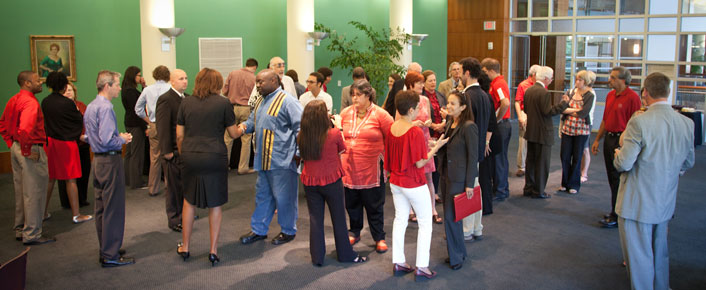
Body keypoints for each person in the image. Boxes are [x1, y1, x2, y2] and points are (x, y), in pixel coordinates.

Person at [613, 72, 695, 290]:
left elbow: (624, 164)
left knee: (639, 259)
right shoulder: (687, 123)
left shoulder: (639, 121)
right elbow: (687, 163)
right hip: (665, 200)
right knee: (660, 255)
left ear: (645, 93)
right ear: (668, 92)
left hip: (636, 202)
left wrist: (616, 154)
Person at [176, 68, 239, 266]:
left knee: (188, 201)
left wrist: (184, 152)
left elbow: (179, 135)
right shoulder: (223, 103)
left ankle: (185, 247)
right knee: (215, 203)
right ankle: (213, 250)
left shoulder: (185, 102)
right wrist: (244, 127)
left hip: (190, 155)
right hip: (215, 155)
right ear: (217, 84)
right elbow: (234, 133)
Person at [386, 90, 447, 281]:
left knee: (400, 219)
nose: (420, 110)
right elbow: (420, 162)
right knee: (425, 223)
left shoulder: (392, 127)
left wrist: (428, 144)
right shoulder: (414, 131)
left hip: (396, 182)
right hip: (413, 183)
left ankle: (399, 261)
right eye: (419, 107)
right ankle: (422, 266)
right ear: (411, 109)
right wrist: (436, 147)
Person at [298, 100, 368, 266]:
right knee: (338, 219)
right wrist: (339, 127)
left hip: (310, 181)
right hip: (331, 181)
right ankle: (346, 255)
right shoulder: (334, 133)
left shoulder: (301, 135)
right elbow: (343, 149)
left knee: (315, 219)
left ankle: (317, 257)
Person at [239, 69, 303, 246]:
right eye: (257, 82)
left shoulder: (288, 101)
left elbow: (301, 128)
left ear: (274, 81)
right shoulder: (260, 100)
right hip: (263, 160)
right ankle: (259, 229)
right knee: (263, 196)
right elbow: (253, 121)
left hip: (283, 159)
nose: (258, 85)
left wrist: (298, 154)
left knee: (285, 198)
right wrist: (242, 127)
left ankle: (288, 230)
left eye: (261, 82)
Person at [84, 70, 134, 267]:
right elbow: (107, 140)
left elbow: (90, 137)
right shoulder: (105, 108)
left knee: (101, 207)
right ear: (107, 86)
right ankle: (111, 254)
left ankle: (106, 247)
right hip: (109, 161)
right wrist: (123, 138)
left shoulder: (91, 106)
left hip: (97, 161)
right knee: (113, 207)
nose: (119, 88)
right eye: (117, 84)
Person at [0, 71, 55, 245]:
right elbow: (25, 129)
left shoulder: (14, 99)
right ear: (27, 83)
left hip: (16, 149)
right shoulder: (31, 103)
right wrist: (26, 150)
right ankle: (32, 234)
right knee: (34, 193)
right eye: (37, 80)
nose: (41, 83)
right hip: (29, 149)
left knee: (21, 191)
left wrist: (12, 145)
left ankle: (20, 228)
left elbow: (3, 125)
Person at [339, 79, 393, 253]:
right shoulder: (346, 113)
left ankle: (379, 237)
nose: (354, 98)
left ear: (368, 95)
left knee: (374, 205)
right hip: (349, 168)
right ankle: (354, 231)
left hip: (372, 168)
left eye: (358, 95)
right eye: (352, 95)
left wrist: (390, 165)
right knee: (352, 202)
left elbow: (391, 139)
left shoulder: (381, 115)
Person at [591, 66, 641, 228]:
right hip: (609, 139)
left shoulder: (633, 98)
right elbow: (606, 119)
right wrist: (598, 139)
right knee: (612, 177)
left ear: (622, 80)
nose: (609, 80)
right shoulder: (610, 95)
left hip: (623, 140)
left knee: (620, 179)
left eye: (613, 78)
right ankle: (616, 210)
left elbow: (635, 123)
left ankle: (618, 214)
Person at [41, 72, 93, 224]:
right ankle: (76, 214)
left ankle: (42, 212)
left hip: (50, 143)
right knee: (71, 180)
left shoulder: (45, 102)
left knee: (50, 179)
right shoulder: (68, 103)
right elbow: (78, 122)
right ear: (64, 85)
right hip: (66, 144)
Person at [438, 90, 478, 270]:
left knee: (450, 218)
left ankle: (456, 258)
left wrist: (470, 184)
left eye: (453, 104)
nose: (449, 106)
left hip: (459, 178)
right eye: (448, 103)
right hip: (446, 174)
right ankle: (459, 253)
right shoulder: (450, 122)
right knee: (452, 218)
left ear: (462, 107)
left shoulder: (468, 127)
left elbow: (473, 157)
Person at [523, 66, 569, 199]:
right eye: (552, 78)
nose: (552, 80)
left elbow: (526, 109)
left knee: (531, 162)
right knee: (542, 163)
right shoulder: (544, 93)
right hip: (543, 133)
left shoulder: (529, 91)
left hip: (531, 131)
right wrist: (563, 104)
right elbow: (548, 112)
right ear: (547, 78)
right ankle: (539, 190)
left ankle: (529, 187)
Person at [459, 57, 492, 239]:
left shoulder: (468, 97)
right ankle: (477, 227)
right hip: (478, 151)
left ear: (467, 73)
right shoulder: (485, 96)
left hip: (467, 152)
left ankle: (467, 230)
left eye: (461, 71)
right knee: (475, 189)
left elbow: (465, 127)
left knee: (468, 190)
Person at [405, 71, 442, 224]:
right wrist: (413, 124)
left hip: (424, 140)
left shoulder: (425, 99)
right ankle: (411, 210)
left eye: (422, 82)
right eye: (419, 83)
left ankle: (432, 208)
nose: (422, 85)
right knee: (411, 177)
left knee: (428, 177)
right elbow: (397, 124)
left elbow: (429, 119)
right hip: (410, 141)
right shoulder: (403, 99)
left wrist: (428, 124)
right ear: (411, 84)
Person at [156, 69, 188, 233]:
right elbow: (162, 127)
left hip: (185, 150)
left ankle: (185, 213)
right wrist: (166, 150)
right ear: (172, 81)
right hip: (173, 151)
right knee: (174, 187)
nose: (184, 81)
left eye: (186, 78)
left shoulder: (187, 98)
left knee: (184, 185)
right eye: (181, 78)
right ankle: (174, 218)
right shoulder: (166, 99)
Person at [135, 65, 171, 196]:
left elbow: (138, 109)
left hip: (154, 125)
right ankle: (170, 186)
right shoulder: (171, 89)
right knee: (168, 156)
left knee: (154, 157)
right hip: (167, 125)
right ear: (168, 75)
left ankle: (153, 188)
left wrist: (148, 121)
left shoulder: (147, 90)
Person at [558, 70, 596, 194]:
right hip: (567, 129)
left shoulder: (590, 95)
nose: (577, 82)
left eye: (580, 80)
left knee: (577, 156)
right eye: (577, 79)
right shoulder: (570, 92)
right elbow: (562, 108)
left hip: (581, 130)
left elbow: (583, 113)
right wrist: (574, 110)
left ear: (586, 81)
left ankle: (574, 184)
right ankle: (565, 182)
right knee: (565, 156)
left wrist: (570, 111)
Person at [481, 58, 512, 202]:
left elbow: (505, 103)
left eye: (485, 72)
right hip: (502, 124)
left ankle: (500, 190)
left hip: (501, 125)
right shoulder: (498, 83)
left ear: (491, 71)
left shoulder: (498, 84)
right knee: (499, 157)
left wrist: (497, 119)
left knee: (499, 158)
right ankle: (501, 188)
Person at [57, 82, 91, 209]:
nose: (68, 92)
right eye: (65, 91)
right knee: (67, 175)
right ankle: (67, 202)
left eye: (70, 90)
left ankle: (82, 198)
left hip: (83, 144)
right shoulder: (58, 108)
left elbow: (88, 122)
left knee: (84, 171)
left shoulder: (81, 105)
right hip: (67, 144)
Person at [224, 58, 257, 175]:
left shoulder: (233, 73)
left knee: (227, 138)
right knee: (246, 139)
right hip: (247, 108)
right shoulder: (254, 78)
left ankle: (224, 166)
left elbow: (224, 91)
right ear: (255, 67)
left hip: (231, 108)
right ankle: (243, 167)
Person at [422, 70, 447, 204]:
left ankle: (435, 192)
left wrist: (443, 123)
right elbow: (423, 116)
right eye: (430, 80)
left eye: (434, 80)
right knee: (428, 164)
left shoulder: (440, 95)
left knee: (438, 164)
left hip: (441, 133)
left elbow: (447, 110)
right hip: (429, 133)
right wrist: (433, 126)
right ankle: (427, 191)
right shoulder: (421, 97)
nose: (433, 83)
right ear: (424, 82)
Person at [121, 66, 148, 189]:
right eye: (138, 75)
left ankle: (128, 179)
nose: (140, 77)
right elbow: (138, 108)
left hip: (129, 122)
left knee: (130, 152)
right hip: (136, 124)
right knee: (136, 153)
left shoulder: (127, 90)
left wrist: (143, 86)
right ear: (133, 76)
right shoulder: (130, 91)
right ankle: (136, 181)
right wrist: (145, 125)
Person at [515, 65, 541, 177]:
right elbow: (517, 102)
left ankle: (534, 164)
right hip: (525, 112)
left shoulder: (541, 85)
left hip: (537, 114)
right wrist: (520, 117)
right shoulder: (523, 85)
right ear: (534, 74)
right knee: (523, 140)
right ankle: (521, 166)